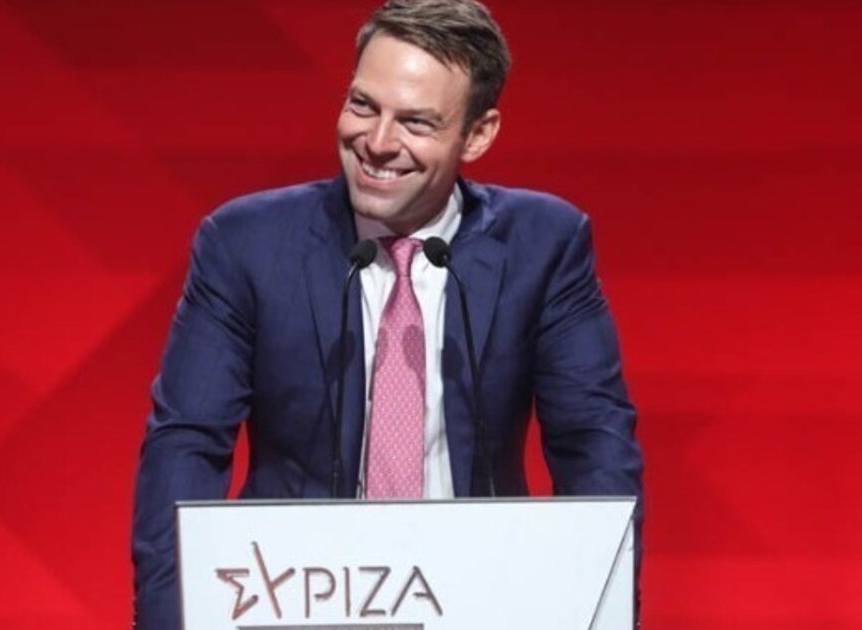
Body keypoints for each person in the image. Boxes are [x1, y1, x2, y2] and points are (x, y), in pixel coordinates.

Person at [132, 1, 643, 627]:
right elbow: (185, 445)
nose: (376, 143)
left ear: (478, 134)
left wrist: (602, 614)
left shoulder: (544, 246)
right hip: (295, 600)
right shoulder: (245, 245)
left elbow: (594, 446)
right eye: (363, 106)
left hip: (483, 601)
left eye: (416, 122)